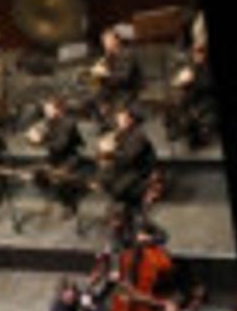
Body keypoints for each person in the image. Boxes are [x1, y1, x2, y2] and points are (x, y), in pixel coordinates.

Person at [27, 97, 89, 227]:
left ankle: (69, 204)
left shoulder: (69, 123)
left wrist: (41, 140)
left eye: (48, 110)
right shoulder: (48, 122)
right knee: (36, 174)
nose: (46, 113)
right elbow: (37, 139)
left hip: (70, 158)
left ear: (58, 109)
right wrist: (31, 137)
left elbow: (61, 145)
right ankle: (55, 197)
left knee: (60, 177)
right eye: (45, 110)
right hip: (54, 157)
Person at [100, 105, 157, 214]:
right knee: (104, 179)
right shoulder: (120, 133)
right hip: (125, 165)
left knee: (120, 186)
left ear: (131, 120)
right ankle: (122, 199)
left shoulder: (138, 135)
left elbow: (130, 157)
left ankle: (140, 194)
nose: (120, 123)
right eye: (119, 120)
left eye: (124, 120)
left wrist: (110, 153)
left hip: (139, 167)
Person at [88, 27, 142, 122]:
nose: (106, 44)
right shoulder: (108, 57)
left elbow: (124, 77)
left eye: (108, 40)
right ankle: (103, 120)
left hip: (128, 88)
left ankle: (109, 115)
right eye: (104, 42)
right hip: (114, 88)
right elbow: (101, 79)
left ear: (117, 40)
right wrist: (95, 74)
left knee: (103, 95)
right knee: (92, 96)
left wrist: (105, 74)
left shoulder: (127, 54)